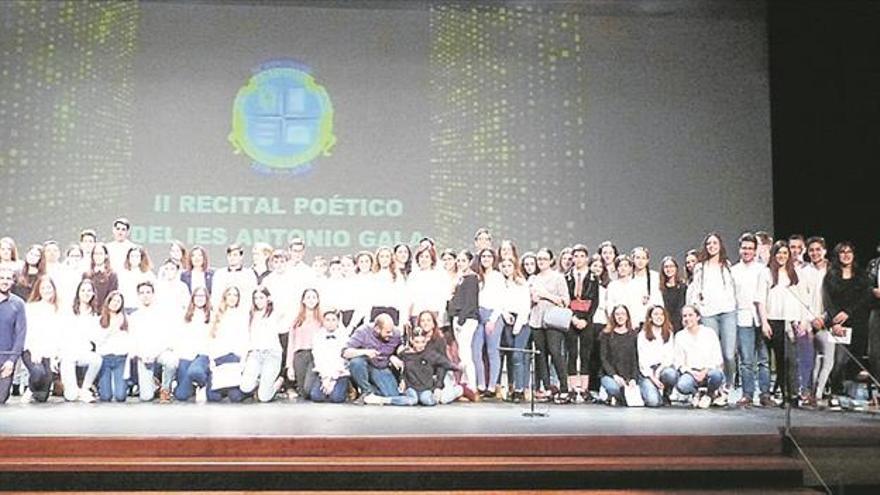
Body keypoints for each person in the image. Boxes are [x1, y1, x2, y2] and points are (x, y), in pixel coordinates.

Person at [755, 240, 811, 407]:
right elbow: (760, 301)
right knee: (781, 359)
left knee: (792, 360)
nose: (782, 256)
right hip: (775, 320)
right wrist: (764, 322)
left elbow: (804, 300)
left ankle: (793, 395)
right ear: (774, 254)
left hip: (792, 321)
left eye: (785, 253)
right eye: (779, 252)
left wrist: (803, 320)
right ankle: (786, 395)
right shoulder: (766, 273)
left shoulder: (796, 273)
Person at [821, 242, 872, 405]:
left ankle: (849, 390)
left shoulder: (862, 275)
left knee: (855, 359)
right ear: (837, 255)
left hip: (857, 322)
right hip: (837, 325)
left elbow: (864, 298)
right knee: (839, 360)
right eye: (842, 252)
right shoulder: (831, 275)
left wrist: (848, 312)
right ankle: (835, 390)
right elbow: (827, 299)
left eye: (849, 251)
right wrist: (835, 319)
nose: (846, 255)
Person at [686, 232, 737, 392]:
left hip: (728, 312)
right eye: (709, 244)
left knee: (729, 353)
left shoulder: (727, 265)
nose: (712, 246)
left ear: (720, 245)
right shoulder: (700, 267)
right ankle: (717, 386)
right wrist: (696, 308)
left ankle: (729, 383)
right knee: (713, 352)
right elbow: (695, 289)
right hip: (708, 313)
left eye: (715, 243)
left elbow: (732, 289)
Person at [730, 233, 770, 407]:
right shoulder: (733, 271)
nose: (747, 251)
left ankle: (765, 393)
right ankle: (747, 393)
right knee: (746, 360)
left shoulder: (763, 270)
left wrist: (766, 319)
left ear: (755, 251)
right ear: (740, 249)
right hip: (742, 317)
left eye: (750, 248)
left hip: (762, 318)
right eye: (744, 248)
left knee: (764, 359)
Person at [529, 248, 571, 403]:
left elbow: (565, 301)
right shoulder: (533, 278)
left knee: (555, 352)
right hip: (536, 320)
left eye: (544, 259)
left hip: (553, 320)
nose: (541, 262)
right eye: (539, 259)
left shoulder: (558, 278)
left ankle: (564, 388)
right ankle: (547, 388)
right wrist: (533, 298)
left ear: (551, 260)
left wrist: (545, 295)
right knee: (541, 355)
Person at [380, 327, 461, 406]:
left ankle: (456, 390)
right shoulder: (405, 354)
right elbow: (397, 368)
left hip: (425, 387)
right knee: (412, 400)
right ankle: (386, 400)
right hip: (410, 387)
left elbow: (445, 363)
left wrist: (459, 368)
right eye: (417, 342)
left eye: (422, 342)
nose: (420, 345)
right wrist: (401, 378)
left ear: (425, 341)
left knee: (427, 401)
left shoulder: (430, 354)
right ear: (412, 341)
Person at [129, 281, 177, 403]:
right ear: (138, 296)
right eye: (142, 293)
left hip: (159, 352)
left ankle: (165, 390)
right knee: (146, 397)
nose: (145, 295)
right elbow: (132, 340)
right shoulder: (133, 317)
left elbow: (166, 338)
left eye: (148, 292)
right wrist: (142, 355)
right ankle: (154, 383)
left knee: (171, 361)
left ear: (153, 294)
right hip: (143, 355)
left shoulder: (162, 314)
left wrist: (154, 353)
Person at [343, 313, 403, 404]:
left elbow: (400, 348)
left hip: (382, 366)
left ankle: (368, 393)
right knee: (356, 362)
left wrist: (395, 356)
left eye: (391, 331)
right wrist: (365, 352)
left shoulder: (396, 334)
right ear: (377, 329)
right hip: (366, 365)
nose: (390, 334)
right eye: (387, 332)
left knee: (392, 395)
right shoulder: (363, 331)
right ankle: (365, 390)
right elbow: (345, 352)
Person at [240, 286, 286, 402]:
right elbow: (247, 338)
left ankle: (278, 382)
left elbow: (286, 310)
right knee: (245, 387)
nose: (258, 301)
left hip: (272, 354)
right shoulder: (250, 314)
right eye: (256, 298)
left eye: (261, 297)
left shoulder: (275, 313)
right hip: (255, 354)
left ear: (267, 299)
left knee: (264, 397)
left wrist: (272, 299)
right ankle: (259, 379)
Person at [674, 305, 726, 409]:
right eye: (685, 316)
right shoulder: (680, 336)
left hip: (708, 370)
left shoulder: (709, 333)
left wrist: (705, 371)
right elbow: (678, 361)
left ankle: (710, 394)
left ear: (698, 317)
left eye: (690, 315)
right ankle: (697, 393)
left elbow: (717, 357)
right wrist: (692, 372)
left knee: (717, 375)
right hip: (691, 372)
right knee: (682, 385)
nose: (687, 318)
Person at [59, 279, 102, 402]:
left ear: (93, 293)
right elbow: (62, 334)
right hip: (68, 354)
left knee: (97, 359)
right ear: (78, 292)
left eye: (89, 290)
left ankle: (85, 389)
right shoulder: (68, 311)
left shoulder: (95, 314)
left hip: (83, 352)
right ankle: (77, 392)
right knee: (71, 397)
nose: (86, 293)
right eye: (83, 290)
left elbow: (96, 337)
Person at [565, 244, 599, 401]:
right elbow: (565, 300)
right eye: (575, 256)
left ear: (586, 258)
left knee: (585, 353)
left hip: (587, 319)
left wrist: (586, 319)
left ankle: (584, 388)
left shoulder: (593, 277)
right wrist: (572, 317)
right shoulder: (566, 277)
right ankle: (572, 388)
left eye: (581, 256)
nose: (578, 259)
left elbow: (595, 301)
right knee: (571, 353)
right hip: (571, 317)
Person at [22, 275, 60, 403]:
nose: (46, 290)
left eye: (49, 287)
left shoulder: (59, 309)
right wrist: (34, 350)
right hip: (32, 349)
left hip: (49, 353)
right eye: (43, 287)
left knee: (42, 397)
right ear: (38, 289)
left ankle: (36, 391)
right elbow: (29, 332)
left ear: (54, 289)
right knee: (38, 373)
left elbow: (59, 335)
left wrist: (55, 356)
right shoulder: (31, 307)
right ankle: (30, 389)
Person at [499, 257, 532, 403]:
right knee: (510, 355)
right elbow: (499, 303)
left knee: (518, 355)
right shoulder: (501, 284)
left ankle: (520, 389)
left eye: (509, 266)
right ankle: (512, 388)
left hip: (522, 322)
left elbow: (525, 306)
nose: (506, 268)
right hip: (507, 320)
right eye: (504, 266)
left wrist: (518, 325)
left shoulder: (522, 283)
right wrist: (505, 315)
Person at [206, 286, 247, 402]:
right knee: (213, 398)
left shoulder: (242, 315)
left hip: (235, 358)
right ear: (225, 297)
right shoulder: (216, 314)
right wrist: (212, 359)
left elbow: (245, 339)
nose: (232, 298)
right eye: (229, 294)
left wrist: (243, 360)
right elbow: (211, 340)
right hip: (219, 358)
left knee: (236, 397)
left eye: (235, 295)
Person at [448, 250, 480, 399]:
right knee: (462, 352)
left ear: (469, 262)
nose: (460, 263)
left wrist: (461, 319)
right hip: (457, 318)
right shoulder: (460, 278)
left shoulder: (472, 278)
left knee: (465, 353)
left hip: (467, 319)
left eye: (463, 261)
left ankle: (472, 385)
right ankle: (466, 382)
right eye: (458, 261)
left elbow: (470, 302)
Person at [473, 248, 504, 398]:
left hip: (494, 315)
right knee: (476, 350)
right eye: (483, 256)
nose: (486, 259)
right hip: (478, 314)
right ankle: (481, 384)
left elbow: (501, 301)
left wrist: (492, 320)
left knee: (492, 351)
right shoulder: (476, 276)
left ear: (493, 259)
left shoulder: (498, 277)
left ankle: (492, 386)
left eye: (488, 256)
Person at [173, 287, 212, 402]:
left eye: (202, 296)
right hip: (186, 354)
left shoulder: (212, 315)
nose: (200, 299)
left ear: (206, 298)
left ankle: (204, 383)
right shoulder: (184, 315)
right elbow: (179, 337)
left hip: (204, 354)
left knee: (195, 372)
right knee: (181, 395)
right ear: (193, 298)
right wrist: (177, 355)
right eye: (197, 296)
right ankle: (192, 386)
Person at [638, 306, 679, 407]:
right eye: (656, 314)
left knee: (671, 374)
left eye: (661, 314)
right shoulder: (643, 335)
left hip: (663, 368)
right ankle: (654, 392)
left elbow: (669, 357)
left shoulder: (669, 333)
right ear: (650, 318)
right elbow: (642, 361)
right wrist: (653, 378)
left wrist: (659, 371)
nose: (659, 317)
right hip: (647, 372)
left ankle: (666, 393)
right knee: (653, 402)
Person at [94, 291, 131, 402]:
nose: (115, 303)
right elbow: (98, 341)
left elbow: (130, 340)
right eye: (113, 300)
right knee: (105, 397)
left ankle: (124, 386)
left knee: (120, 396)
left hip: (120, 359)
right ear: (108, 302)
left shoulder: (126, 319)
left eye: (118, 301)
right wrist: (112, 328)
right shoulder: (100, 319)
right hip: (104, 359)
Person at [599, 305, 639, 406]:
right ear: (613, 317)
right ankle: (608, 392)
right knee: (614, 388)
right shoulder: (606, 335)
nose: (620, 317)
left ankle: (618, 397)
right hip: (610, 375)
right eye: (617, 314)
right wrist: (614, 376)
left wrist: (633, 378)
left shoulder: (633, 335)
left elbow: (635, 359)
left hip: (628, 376)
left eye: (623, 314)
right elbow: (603, 358)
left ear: (627, 317)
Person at [285, 288, 322, 398]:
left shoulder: (322, 319)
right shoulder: (297, 320)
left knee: (308, 388)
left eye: (314, 297)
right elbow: (291, 344)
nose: (311, 300)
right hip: (300, 355)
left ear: (318, 300)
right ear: (303, 301)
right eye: (308, 297)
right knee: (303, 393)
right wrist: (289, 366)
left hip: (316, 356)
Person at [308, 310, 350, 403]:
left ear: (338, 322)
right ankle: (327, 390)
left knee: (336, 398)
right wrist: (325, 378)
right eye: (327, 320)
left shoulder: (345, 337)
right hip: (324, 373)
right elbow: (318, 358)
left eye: (333, 320)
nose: (330, 323)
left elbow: (343, 361)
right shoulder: (318, 337)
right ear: (323, 322)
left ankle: (343, 389)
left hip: (339, 374)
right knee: (316, 397)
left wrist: (332, 379)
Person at [0, 267, 27, 404]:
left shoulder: (18, 303)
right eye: (1, 278)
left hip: (5, 359)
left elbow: (20, 334)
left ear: (13, 281)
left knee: (1, 398)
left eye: (8, 278)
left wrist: (11, 360)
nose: (4, 281)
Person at [211, 244, 257, 310]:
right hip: (223, 312)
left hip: (243, 312)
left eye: (235, 255)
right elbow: (215, 295)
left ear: (241, 256)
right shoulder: (219, 274)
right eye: (230, 255)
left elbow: (251, 295)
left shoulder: (249, 274)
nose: (232, 258)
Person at [118, 246, 155, 314]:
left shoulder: (148, 274)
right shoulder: (122, 273)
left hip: (140, 308)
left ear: (141, 258)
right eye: (132, 256)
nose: (134, 259)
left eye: (137, 256)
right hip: (124, 308)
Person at [83, 243, 118, 309]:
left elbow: (112, 296)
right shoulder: (86, 275)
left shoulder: (112, 275)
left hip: (105, 311)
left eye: (101, 253)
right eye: (96, 254)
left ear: (106, 256)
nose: (98, 256)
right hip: (89, 311)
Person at [659, 256, 687, 332]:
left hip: (680, 324)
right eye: (666, 267)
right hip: (665, 324)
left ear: (676, 268)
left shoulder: (683, 287)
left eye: (671, 266)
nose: (669, 269)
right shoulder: (660, 288)